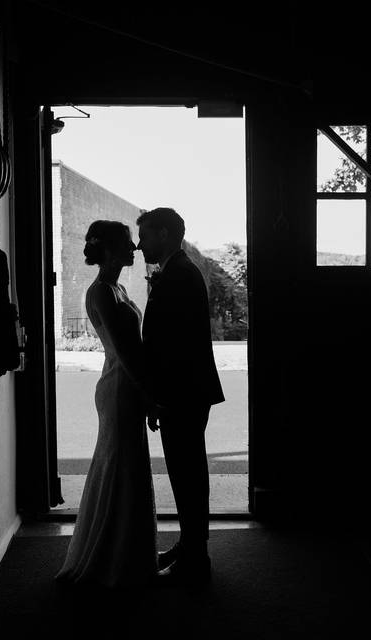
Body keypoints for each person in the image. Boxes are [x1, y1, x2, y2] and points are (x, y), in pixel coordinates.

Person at [55, 220, 157, 588]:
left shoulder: (119, 287)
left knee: (127, 468)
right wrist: (150, 397)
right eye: (128, 244)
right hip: (119, 387)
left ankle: (128, 554)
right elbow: (127, 352)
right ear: (111, 250)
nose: (135, 249)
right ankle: (109, 559)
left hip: (124, 385)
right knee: (119, 468)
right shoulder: (100, 292)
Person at [137, 207, 224, 587]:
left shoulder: (178, 276)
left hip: (181, 393)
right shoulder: (179, 271)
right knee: (187, 472)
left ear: (165, 234)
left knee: (187, 473)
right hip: (187, 390)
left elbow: (172, 347)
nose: (140, 245)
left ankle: (196, 557)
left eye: (145, 236)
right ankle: (190, 546)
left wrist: (159, 397)